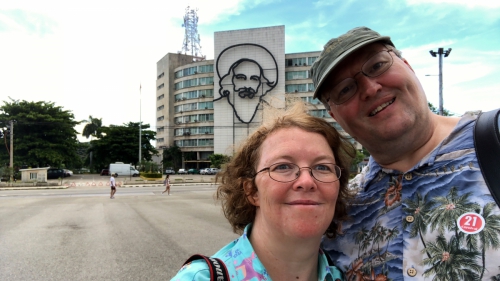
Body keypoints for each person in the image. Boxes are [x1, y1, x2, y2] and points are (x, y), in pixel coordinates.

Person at [310, 26, 500, 280]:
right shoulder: (339, 211)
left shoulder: (494, 140)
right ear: (334, 117)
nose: (370, 88)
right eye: (345, 90)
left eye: (377, 66)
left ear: (407, 65)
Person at [171, 103, 355, 281]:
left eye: (323, 167)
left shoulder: (347, 275)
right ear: (252, 191)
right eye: (283, 166)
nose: (307, 181)